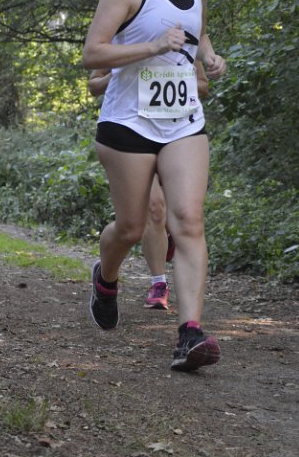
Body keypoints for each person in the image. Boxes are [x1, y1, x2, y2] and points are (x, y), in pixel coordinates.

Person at [82, 0, 226, 372]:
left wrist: (211, 58)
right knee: (131, 227)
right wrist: (150, 46)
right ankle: (106, 278)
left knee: (188, 221)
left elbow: (197, 34)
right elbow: (93, 54)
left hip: (183, 121)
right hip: (128, 122)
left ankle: (190, 334)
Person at [88, 61, 209, 311]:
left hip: (177, 136)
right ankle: (158, 283)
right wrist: (122, 76)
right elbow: (94, 85)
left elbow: (203, 86)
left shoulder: (183, 42)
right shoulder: (121, 41)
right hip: (132, 134)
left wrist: (172, 79)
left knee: (175, 214)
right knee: (154, 208)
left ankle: (167, 235)